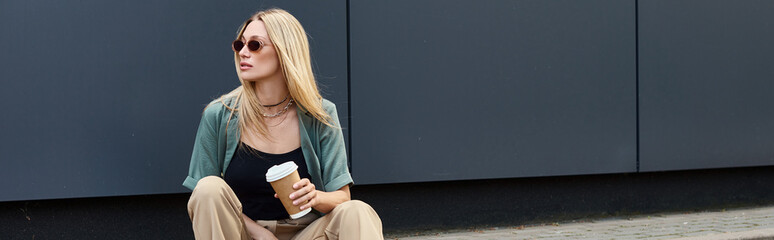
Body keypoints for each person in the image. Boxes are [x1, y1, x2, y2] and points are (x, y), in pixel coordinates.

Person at [183, 8, 383, 240]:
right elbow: (204, 200)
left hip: (307, 233)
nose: (243, 53)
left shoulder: (320, 113)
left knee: (357, 211)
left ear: (284, 51)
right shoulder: (219, 114)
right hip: (244, 233)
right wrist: (261, 234)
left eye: (255, 45)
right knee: (208, 188)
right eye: (240, 45)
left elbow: (342, 196)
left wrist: (315, 197)